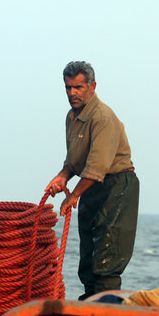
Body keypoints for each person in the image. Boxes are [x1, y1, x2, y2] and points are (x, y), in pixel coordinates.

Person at [46, 61, 139, 301]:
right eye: (68, 88)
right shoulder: (72, 117)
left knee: (106, 260)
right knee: (87, 260)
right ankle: (90, 306)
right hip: (91, 187)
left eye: (78, 87)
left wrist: (74, 195)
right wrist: (62, 176)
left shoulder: (103, 117)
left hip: (116, 186)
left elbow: (96, 168)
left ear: (92, 86)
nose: (72, 93)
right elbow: (74, 161)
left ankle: (106, 314)